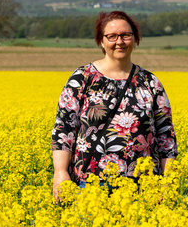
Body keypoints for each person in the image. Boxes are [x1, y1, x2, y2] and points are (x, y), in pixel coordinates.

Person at [51, 10, 177, 199]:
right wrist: (60, 172)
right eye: (112, 36)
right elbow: (64, 129)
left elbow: (165, 136)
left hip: (143, 185)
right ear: (101, 41)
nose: (119, 41)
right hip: (91, 182)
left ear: (135, 39)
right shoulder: (83, 78)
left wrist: (168, 180)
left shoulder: (150, 82)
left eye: (126, 35)